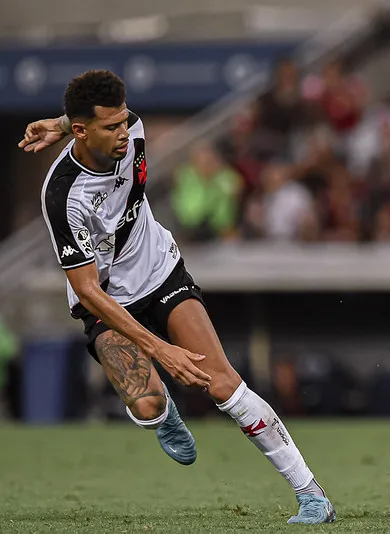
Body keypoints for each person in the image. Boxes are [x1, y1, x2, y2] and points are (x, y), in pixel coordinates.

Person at [18, 70, 335, 524]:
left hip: (161, 271)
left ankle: (311, 495)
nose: (124, 132)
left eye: (124, 120)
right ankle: (164, 414)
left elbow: (98, 121)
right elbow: (86, 289)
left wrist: (60, 122)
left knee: (223, 384)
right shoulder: (62, 195)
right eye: (111, 126)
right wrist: (160, 349)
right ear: (85, 131)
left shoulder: (132, 130)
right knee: (147, 404)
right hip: (106, 301)